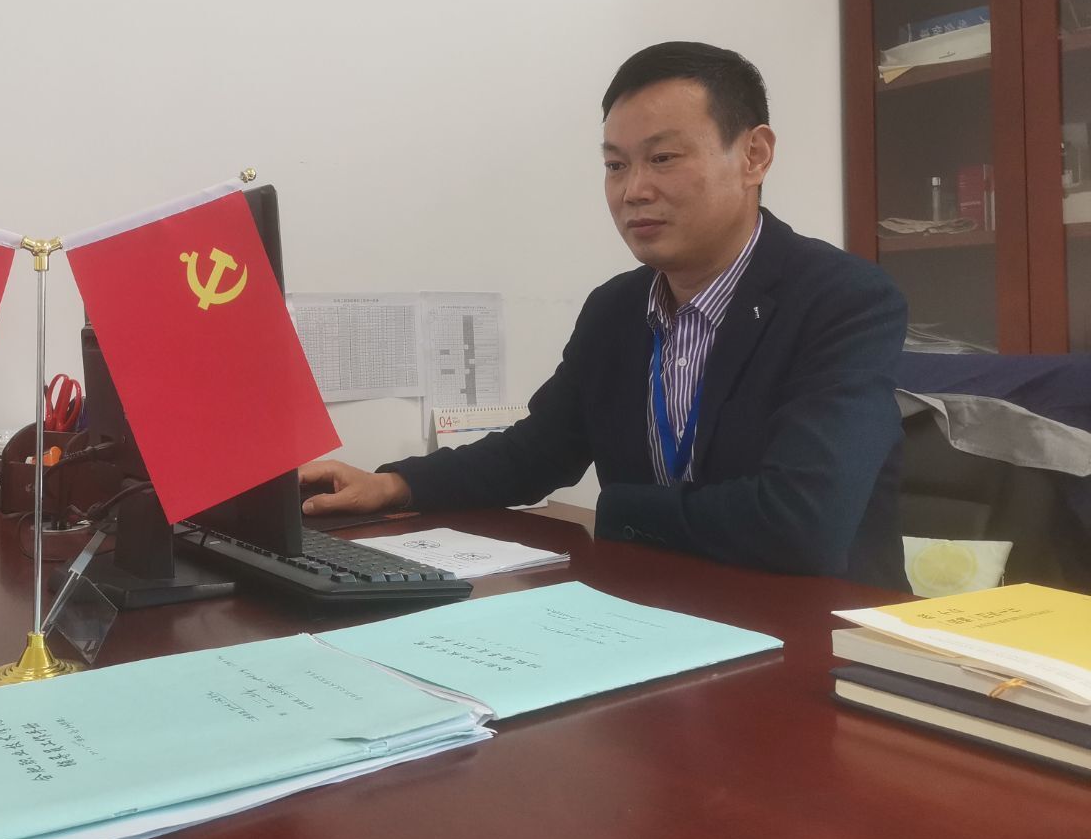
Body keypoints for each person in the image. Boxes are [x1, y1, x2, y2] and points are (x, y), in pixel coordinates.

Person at [301, 41, 910, 589]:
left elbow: (803, 523)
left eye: (663, 158)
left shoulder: (843, 299)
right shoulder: (617, 308)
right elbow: (536, 453)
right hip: (657, 606)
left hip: (822, 629)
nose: (633, 190)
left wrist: (617, 508)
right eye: (616, 165)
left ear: (754, 155)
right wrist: (393, 485)